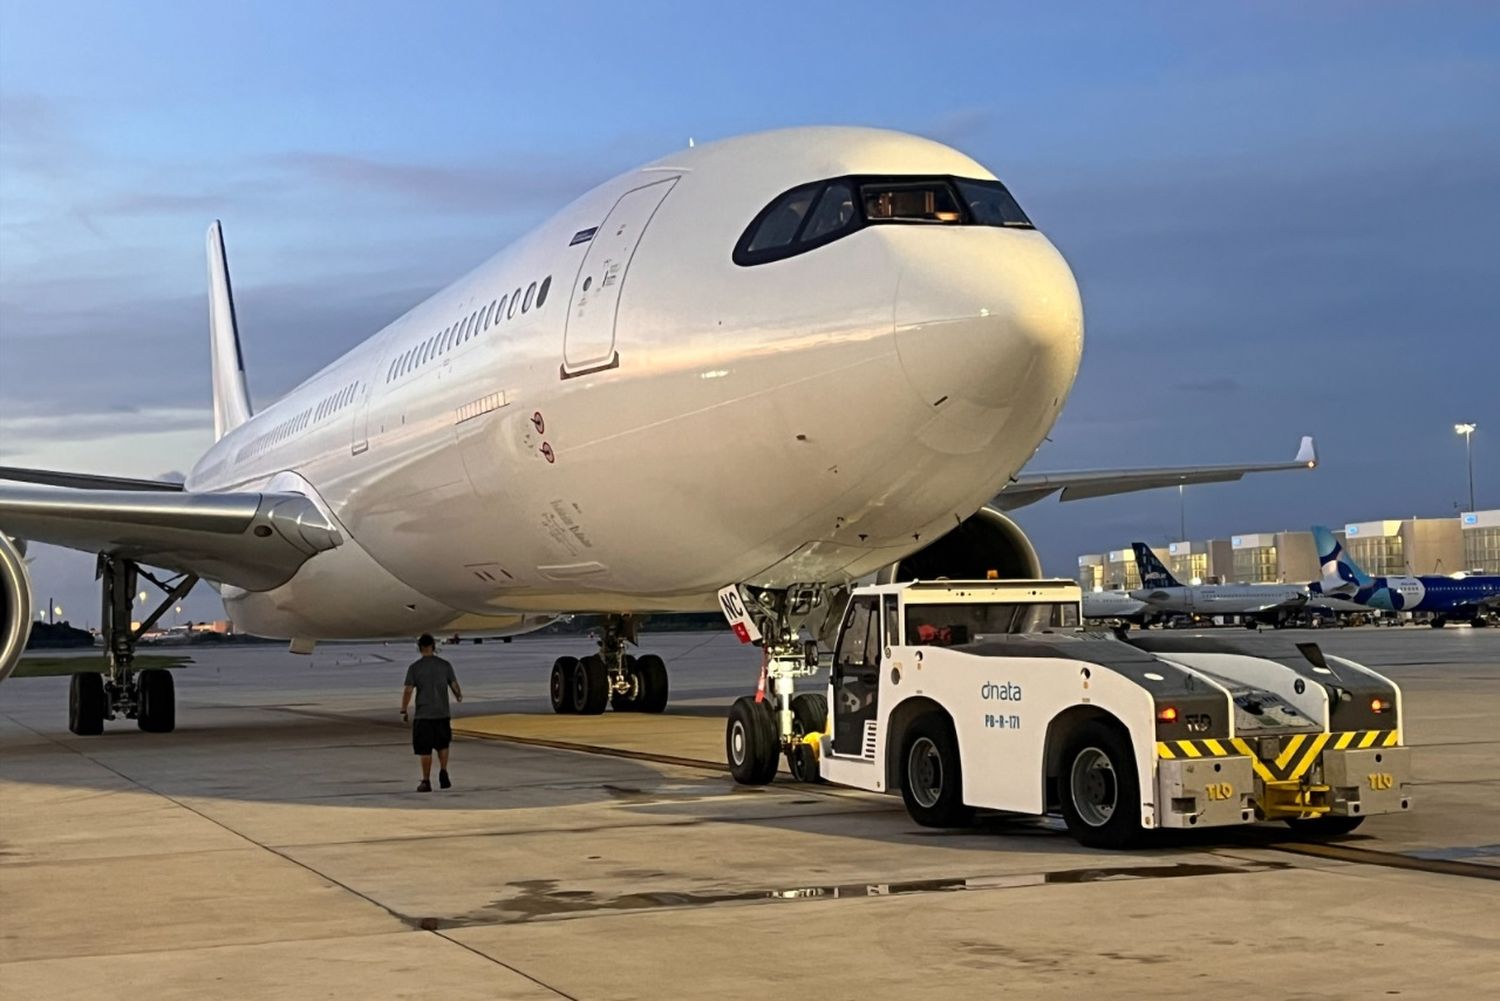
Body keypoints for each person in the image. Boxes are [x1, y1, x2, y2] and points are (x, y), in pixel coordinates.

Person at [400, 633, 462, 792]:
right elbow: (454, 684)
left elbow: (408, 690)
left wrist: (404, 709)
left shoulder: (415, 668)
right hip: (442, 712)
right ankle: (443, 770)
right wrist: (458, 695)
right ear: (433, 646)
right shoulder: (445, 665)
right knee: (443, 744)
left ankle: (426, 780)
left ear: (419, 647)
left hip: (424, 714)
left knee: (425, 749)